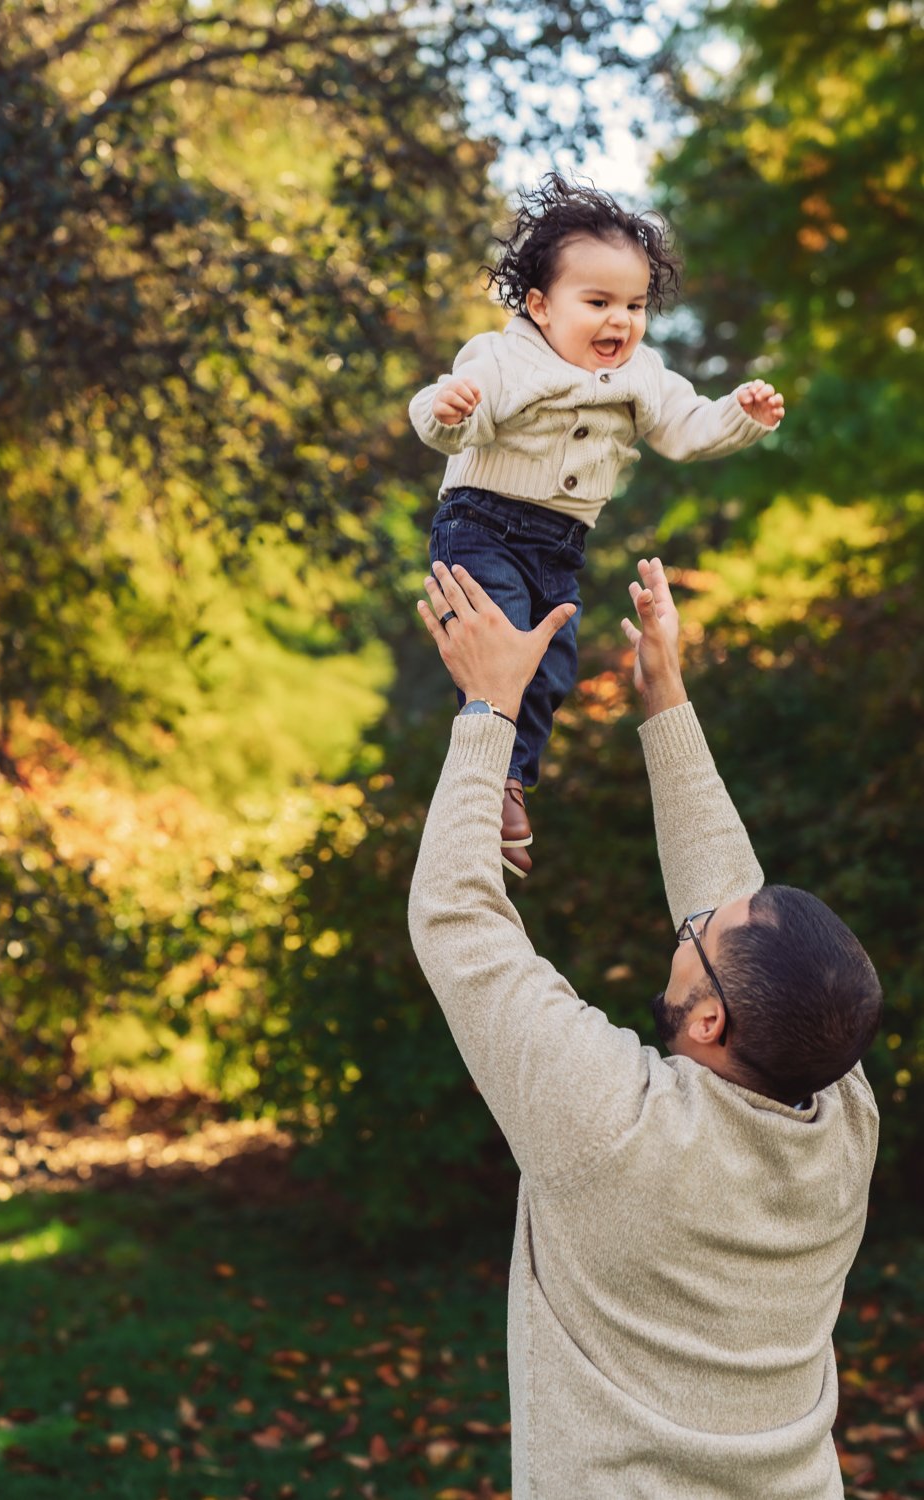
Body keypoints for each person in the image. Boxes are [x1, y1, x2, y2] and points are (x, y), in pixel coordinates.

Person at [408, 556, 881, 1500]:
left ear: (709, 1018)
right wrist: (665, 697)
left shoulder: (614, 1126)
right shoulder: (840, 1110)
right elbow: (732, 907)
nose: (695, 918)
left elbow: (457, 921)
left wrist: (489, 712)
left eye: (701, 937)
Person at [409, 175, 786, 878]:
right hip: (482, 526)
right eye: (599, 302)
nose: (621, 321)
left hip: (560, 547)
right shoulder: (501, 358)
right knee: (502, 648)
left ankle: (510, 782)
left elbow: (687, 427)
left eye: (636, 305)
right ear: (541, 305)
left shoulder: (644, 373)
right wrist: (451, 409)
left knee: (552, 668)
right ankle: (489, 791)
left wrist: (740, 414)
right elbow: (440, 419)